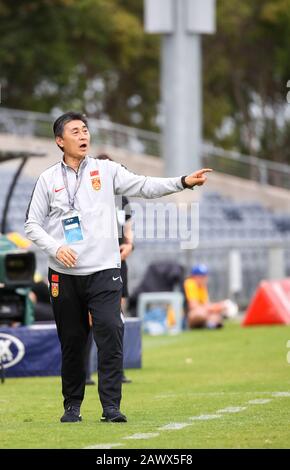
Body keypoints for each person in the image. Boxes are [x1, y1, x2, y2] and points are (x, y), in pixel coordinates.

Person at [24, 111, 212, 424]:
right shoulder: (47, 179)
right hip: (63, 275)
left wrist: (182, 182)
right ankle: (72, 406)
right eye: (75, 131)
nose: (83, 135)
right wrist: (56, 247)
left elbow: (144, 186)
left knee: (111, 331)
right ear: (60, 141)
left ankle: (111, 407)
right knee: (71, 341)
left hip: (104, 271)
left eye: (85, 130)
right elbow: (32, 224)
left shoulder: (106, 170)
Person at [97, 154, 134, 384]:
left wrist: (130, 245)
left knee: (117, 318)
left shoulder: (122, 199)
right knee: (89, 319)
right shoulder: (88, 199)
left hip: (119, 264)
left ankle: (116, 371)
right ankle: (84, 371)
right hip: (95, 264)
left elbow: (129, 227)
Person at [184, 264, 238, 329]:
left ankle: (208, 324)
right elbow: (194, 306)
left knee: (216, 316)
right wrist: (218, 306)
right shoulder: (190, 283)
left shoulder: (202, 287)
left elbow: (206, 304)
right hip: (186, 315)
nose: (204, 279)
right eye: (201, 276)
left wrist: (217, 308)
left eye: (204, 276)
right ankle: (208, 324)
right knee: (200, 313)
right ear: (194, 276)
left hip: (200, 311)